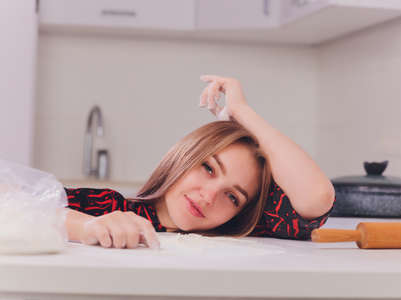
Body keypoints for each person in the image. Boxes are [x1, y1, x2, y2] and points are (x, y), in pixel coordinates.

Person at [65, 75, 335, 249]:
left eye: (232, 197)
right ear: (186, 154)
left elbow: (317, 197)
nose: (209, 196)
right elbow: (27, 206)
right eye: (208, 168)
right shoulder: (108, 207)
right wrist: (87, 226)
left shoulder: (239, 233)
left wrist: (244, 113)